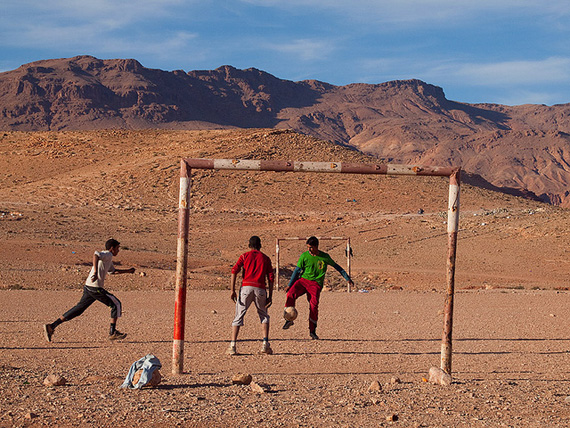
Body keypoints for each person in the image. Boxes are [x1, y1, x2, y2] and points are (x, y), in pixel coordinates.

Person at [43, 238, 135, 342]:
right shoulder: (107, 254)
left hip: (88, 287)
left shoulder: (108, 258)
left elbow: (112, 271)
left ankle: (52, 326)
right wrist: (95, 272)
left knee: (78, 310)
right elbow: (95, 254)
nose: (118, 251)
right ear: (112, 248)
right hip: (95, 288)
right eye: (117, 248)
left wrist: (128, 271)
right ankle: (112, 332)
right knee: (116, 304)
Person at [283, 236, 354, 340]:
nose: (309, 250)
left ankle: (312, 331)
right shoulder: (304, 256)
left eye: (311, 247)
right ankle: (289, 319)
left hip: (315, 284)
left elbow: (337, 267)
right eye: (308, 247)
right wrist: (290, 285)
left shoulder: (325, 257)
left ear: (316, 247)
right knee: (290, 294)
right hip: (303, 281)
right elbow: (297, 271)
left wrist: (347, 278)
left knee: (313, 306)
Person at [227, 236, 275, 356]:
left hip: (246, 288)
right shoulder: (265, 258)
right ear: (260, 245)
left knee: (239, 315)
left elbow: (234, 271)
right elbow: (271, 277)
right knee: (264, 315)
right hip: (260, 288)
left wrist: (232, 290)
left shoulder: (244, 256)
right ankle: (265, 344)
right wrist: (270, 295)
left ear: (249, 245)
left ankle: (233, 345)